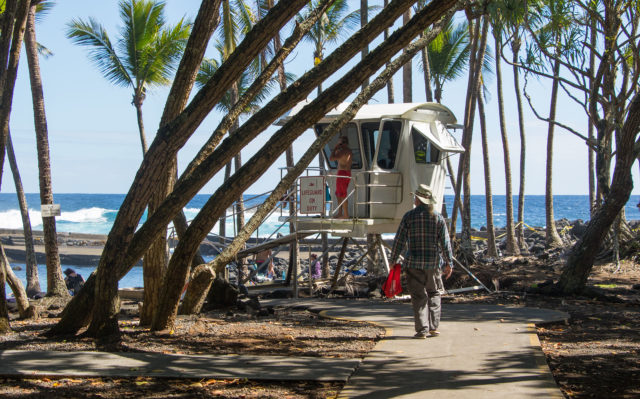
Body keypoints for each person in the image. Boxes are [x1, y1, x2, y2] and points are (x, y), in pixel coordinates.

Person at [389, 184, 454, 339]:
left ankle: (422, 330)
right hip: (432, 264)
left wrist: (393, 259)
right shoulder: (438, 218)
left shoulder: (409, 216)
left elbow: (399, 240)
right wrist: (449, 263)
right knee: (434, 293)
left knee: (418, 296)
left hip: (413, 263)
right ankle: (433, 327)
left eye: (415, 197)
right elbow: (445, 244)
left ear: (417, 199)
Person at [329, 136, 353, 219]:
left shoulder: (343, 151)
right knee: (338, 193)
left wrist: (335, 148)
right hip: (346, 173)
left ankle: (345, 215)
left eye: (339, 143)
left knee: (342, 194)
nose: (338, 145)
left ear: (342, 143)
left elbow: (331, 158)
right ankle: (340, 213)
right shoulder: (348, 151)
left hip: (342, 173)